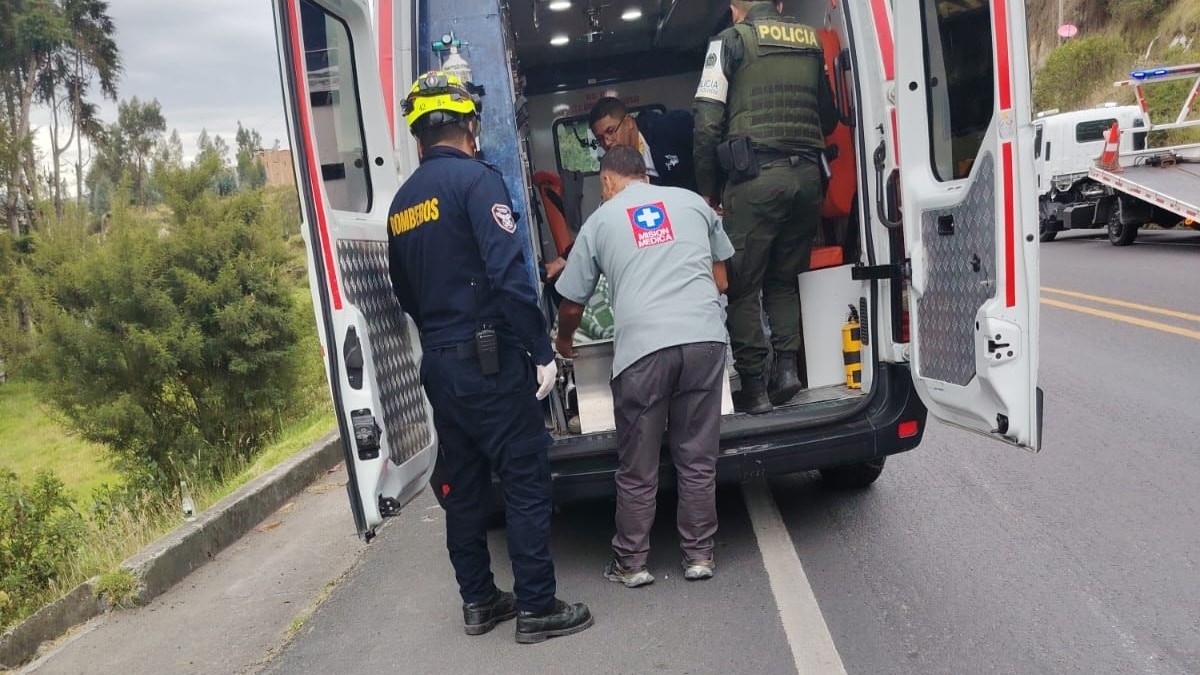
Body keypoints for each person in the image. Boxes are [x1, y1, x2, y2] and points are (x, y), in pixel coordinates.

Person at [387, 70, 592, 644]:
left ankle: (478, 601)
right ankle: (536, 606)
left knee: (465, 491)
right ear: (469, 125)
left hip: (441, 366)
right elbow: (510, 276)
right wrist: (540, 350)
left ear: (420, 135)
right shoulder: (477, 182)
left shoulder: (402, 204)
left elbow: (405, 293)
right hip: (491, 361)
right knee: (526, 481)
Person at [554, 146, 734, 587]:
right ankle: (699, 557)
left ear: (607, 183)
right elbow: (722, 280)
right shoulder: (692, 202)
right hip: (704, 342)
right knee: (697, 456)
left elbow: (573, 305)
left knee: (639, 464)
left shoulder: (600, 221)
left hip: (643, 353)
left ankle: (632, 564)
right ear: (645, 177)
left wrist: (563, 342)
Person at [693, 0, 839, 414]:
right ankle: (787, 370)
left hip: (756, 178)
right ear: (778, 4)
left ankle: (755, 388)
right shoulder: (810, 42)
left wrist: (708, 190)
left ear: (733, 8)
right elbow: (827, 118)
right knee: (784, 277)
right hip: (808, 178)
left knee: (741, 286)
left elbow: (706, 122)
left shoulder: (728, 43)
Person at [589, 97, 699, 192]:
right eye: (600, 139)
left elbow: (706, 148)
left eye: (611, 131)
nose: (607, 143)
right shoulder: (613, 169)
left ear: (629, 122)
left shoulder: (670, 126)